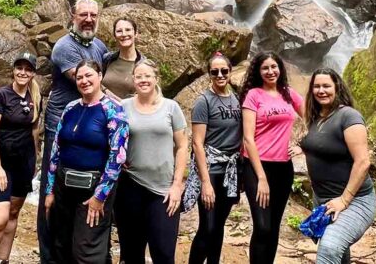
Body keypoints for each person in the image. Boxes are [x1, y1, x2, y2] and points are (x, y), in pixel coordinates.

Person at [38, 0, 108, 264]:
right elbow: (88, 82)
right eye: (83, 15)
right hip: (61, 126)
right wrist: (121, 108)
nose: (88, 19)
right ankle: (51, 256)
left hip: (91, 126)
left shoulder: (99, 46)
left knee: (87, 186)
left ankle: (84, 250)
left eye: (93, 14)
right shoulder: (64, 47)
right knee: (52, 192)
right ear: (72, 16)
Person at [43, 60, 128, 264]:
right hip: (64, 186)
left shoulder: (114, 110)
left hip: (94, 188)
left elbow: (117, 157)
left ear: (100, 77)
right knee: (61, 243)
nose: (84, 81)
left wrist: (100, 196)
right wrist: (49, 190)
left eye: (88, 75)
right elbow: (56, 150)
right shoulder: (70, 107)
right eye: (79, 77)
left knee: (87, 249)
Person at [115, 60, 188, 264]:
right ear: (133, 80)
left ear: (156, 78)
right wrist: (119, 161)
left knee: (164, 253)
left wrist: (177, 185)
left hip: (164, 191)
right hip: (130, 186)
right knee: (131, 254)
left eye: (147, 76)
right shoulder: (123, 106)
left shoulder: (171, 108)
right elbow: (114, 140)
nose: (143, 80)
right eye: (139, 76)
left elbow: (182, 147)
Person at [299, 68, 375, 264]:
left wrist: (344, 199)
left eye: (326, 86)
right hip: (323, 201)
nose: (321, 90)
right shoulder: (317, 118)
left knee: (330, 247)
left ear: (337, 87)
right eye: (317, 86)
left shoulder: (349, 116)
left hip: (355, 200)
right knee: (339, 254)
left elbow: (363, 161)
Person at [239, 52, 304, 264]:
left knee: (274, 226)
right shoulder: (253, 95)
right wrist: (262, 178)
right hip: (256, 167)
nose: (270, 71)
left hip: (283, 168)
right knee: (262, 226)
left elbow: (314, 118)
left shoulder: (289, 94)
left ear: (280, 68)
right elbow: (248, 139)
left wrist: (303, 145)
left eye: (274, 67)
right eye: (265, 68)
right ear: (258, 72)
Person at [0, 52, 40, 264]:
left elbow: (33, 131)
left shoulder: (35, 97)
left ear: (33, 73)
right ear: (13, 70)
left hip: (23, 164)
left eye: (28, 69)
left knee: (13, 213)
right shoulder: (1, 96)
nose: (23, 72)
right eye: (19, 68)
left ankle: (2, 259)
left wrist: (35, 160)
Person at [188, 52, 242, 264]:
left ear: (230, 72)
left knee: (219, 225)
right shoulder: (204, 101)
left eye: (224, 71)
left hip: (231, 169)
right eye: (215, 72)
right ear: (209, 74)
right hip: (211, 169)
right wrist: (205, 183)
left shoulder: (236, 98)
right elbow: (197, 144)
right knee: (208, 227)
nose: (220, 75)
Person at [100, 16, 145, 101]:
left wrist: (106, 92)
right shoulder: (107, 59)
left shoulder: (144, 65)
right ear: (115, 36)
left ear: (136, 33)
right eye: (119, 31)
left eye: (128, 30)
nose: (124, 34)